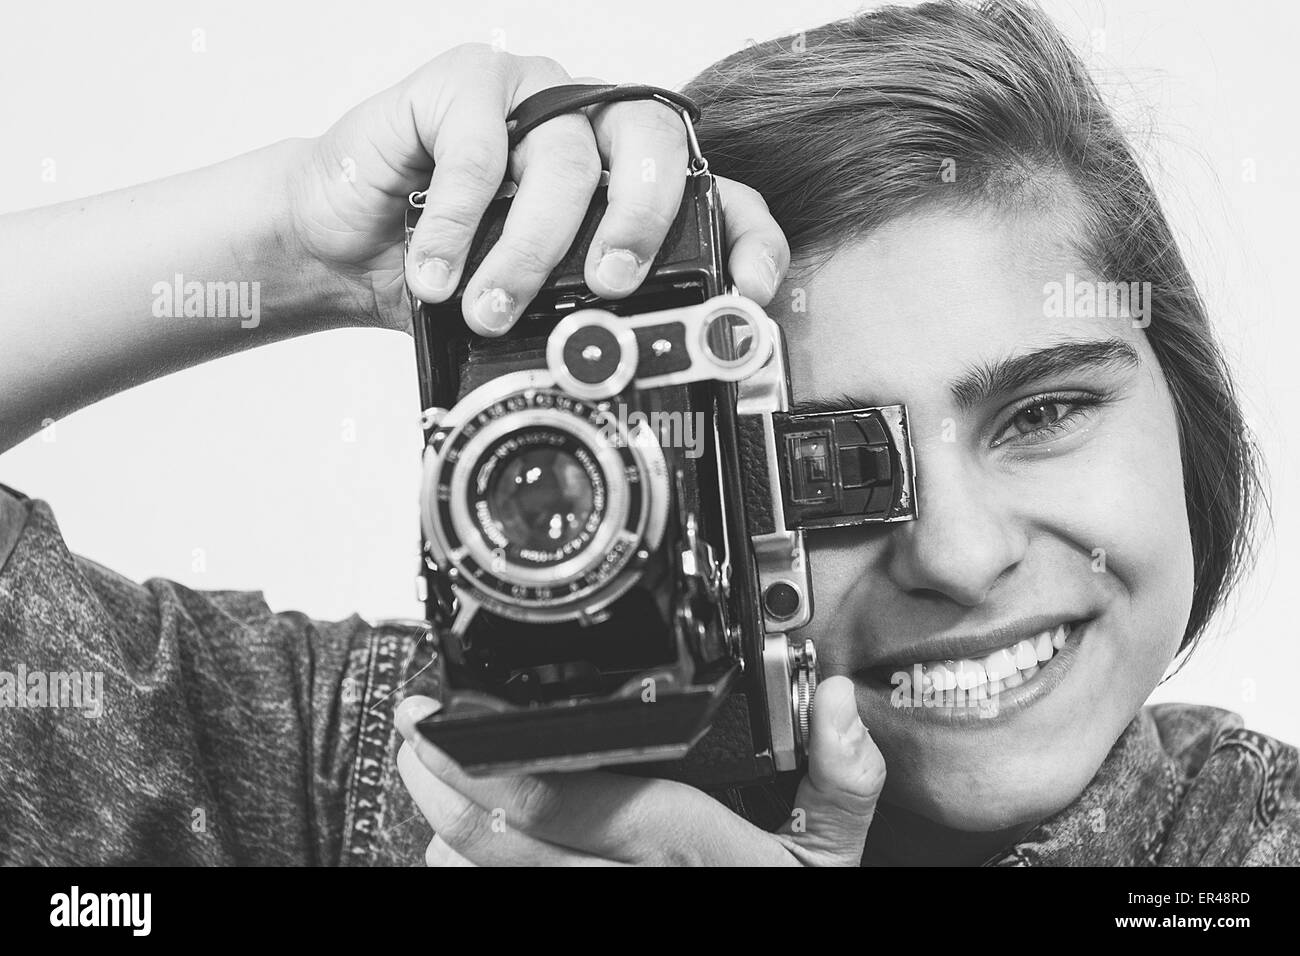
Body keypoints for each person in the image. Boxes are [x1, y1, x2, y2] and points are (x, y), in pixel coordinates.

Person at [0, 0, 1292, 866]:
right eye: (824, 465)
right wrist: (293, 239)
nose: (957, 554)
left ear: (1187, 404)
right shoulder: (388, 767)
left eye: (1046, 411)